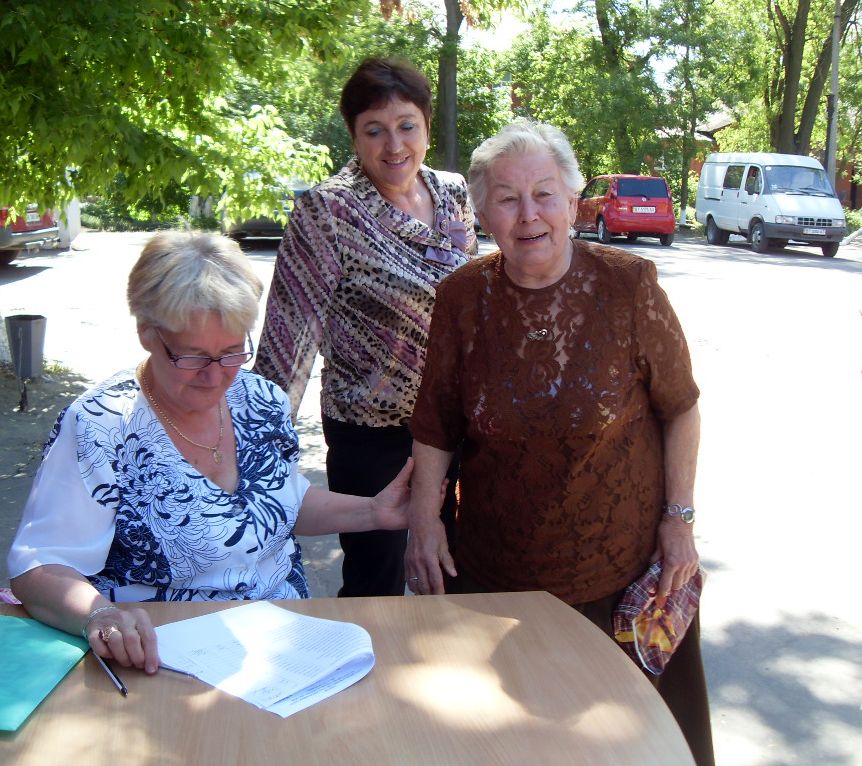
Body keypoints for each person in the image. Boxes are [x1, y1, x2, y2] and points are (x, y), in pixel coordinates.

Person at [404, 120, 714, 765]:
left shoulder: (629, 285)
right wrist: (424, 523)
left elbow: (681, 407)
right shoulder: (461, 297)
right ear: (483, 212)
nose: (529, 215)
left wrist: (679, 519)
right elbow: (435, 424)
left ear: (573, 203)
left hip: (618, 576)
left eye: (544, 194)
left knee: (625, 748)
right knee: (506, 745)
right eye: (507, 199)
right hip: (496, 578)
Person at [7, 231, 416, 675]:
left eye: (232, 352)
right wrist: (100, 616)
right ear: (146, 333)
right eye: (194, 357)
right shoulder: (101, 426)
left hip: (285, 647)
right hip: (163, 660)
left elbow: (280, 503)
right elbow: (39, 567)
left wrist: (373, 512)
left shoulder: (260, 400)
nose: (216, 376)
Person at [254, 57, 477, 598]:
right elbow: (290, 337)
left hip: (452, 425)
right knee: (376, 583)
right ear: (353, 136)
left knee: (459, 567)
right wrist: (258, 444)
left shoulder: (453, 194)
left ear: (426, 126)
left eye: (406, 126)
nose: (393, 145)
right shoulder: (328, 211)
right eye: (374, 130)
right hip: (372, 434)